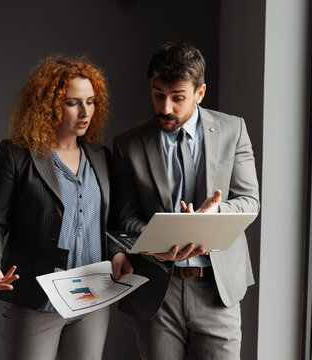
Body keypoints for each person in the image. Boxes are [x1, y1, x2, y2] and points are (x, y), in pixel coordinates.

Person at [0, 55, 132, 360]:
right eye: (73, 103)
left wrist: (118, 252)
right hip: (37, 301)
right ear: (49, 105)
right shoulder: (16, 156)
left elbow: (108, 223)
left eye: (91, 101)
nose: (85, 112)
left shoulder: (101, 157)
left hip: (91, 300)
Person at [111, 42, 260, 359]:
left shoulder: (232, 130)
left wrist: (215, 214)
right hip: (157, 291)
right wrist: (157, 242)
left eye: (177, 97)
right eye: (157, 94)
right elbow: (125, 218)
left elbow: (249, 201)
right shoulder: (128, 144)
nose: (165, 107)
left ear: (200, 92)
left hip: (216, 290)